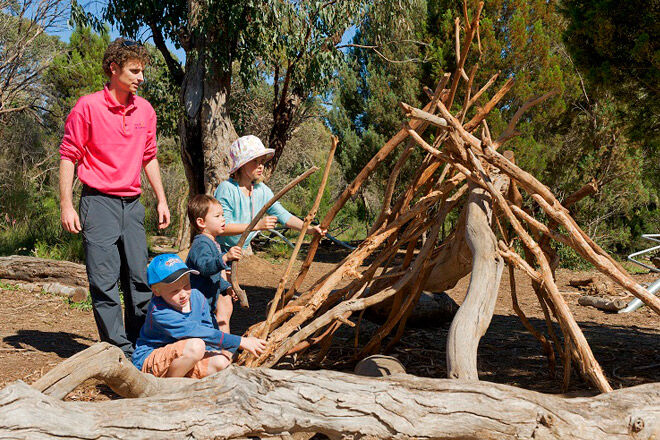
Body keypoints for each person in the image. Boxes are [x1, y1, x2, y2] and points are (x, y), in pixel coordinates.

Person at [59, 38, 170, 359]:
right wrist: (67, 204)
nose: (141, 77)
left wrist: (161, 199)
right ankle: (118, 350)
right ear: (113, 69)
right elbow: (68, 155)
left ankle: (141, 345)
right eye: (134, 71)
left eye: (142, 71)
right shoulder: (88, 107)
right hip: (97, 204)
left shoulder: (145, 110)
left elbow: (149, 157)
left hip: (132, 206)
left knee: (139, 278)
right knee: (104, 282)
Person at [132, 254, 266, 378]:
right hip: (153, 360)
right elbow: (199, 333)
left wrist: (220, 351)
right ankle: (166, 388)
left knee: (222, 362)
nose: (183, 294)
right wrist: (239, 342)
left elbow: (207, 328)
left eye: (186, 285)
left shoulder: (196, 296)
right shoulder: (159, 312)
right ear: (156, 291)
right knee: (196, 345)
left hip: (185, 357)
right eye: (175, 290)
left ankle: (182, 383)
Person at [214, 135, 326, 253]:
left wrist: (309, 229)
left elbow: (284, 216)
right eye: (255, 161)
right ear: (242, 165)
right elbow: (222, 227)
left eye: (262, 161)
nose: (260, 166)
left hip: (238, 250)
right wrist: (256, 226)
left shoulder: (261, 190)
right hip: (219, 251)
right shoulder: (227, 189)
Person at [186, 194, 242, 333]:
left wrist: (226, 288)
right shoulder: (201, 243)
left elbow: (212, 276)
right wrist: (224, 258)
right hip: (197, 306)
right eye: (217, 216)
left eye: (222, 215)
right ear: (201, 222)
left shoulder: (212, 243)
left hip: (206, 306)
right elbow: (204, 268)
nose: (223, 219)